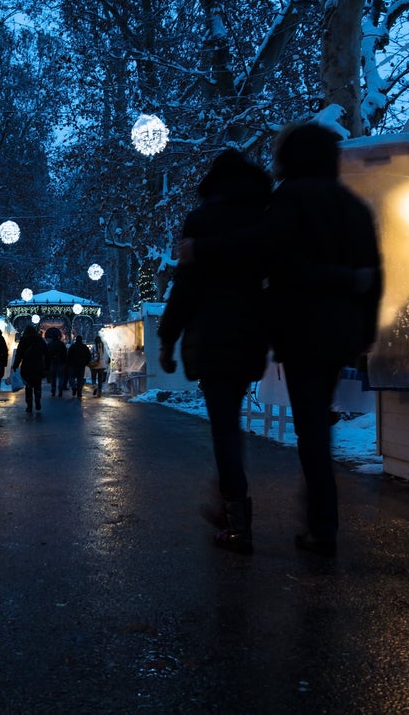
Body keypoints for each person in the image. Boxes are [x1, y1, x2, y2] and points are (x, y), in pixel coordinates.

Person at [182, 123, 382, 557]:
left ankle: (320, 525)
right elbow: (374, 275)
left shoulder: (291, 198)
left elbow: (260, 245)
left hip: (302, 328)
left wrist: (203, 250)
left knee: (311, 430)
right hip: (342, 333)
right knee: (317, 430)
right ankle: (320, 522)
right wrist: (364, 332)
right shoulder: (354, 206)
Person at [158, 148, 273, 554]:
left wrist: (168, 337)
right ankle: (228, 502)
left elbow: (185, 286)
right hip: (250, 335)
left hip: (210, 335)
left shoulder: (203, 220)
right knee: (229, 424)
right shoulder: (265, 217)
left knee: (223, 427)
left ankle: (236, 518)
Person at [11, 324, 49, 412]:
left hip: (27, 367)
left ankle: (29, 405)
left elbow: (19, 355)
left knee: (28, 386)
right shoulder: (40, 340)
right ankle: (38, 399)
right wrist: (47, 366)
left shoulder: (24, 340)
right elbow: (47, 354)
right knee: (37, 385)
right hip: (38, 366)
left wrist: (16, 365)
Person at [45, 327, 69, 396]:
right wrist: (65, 361)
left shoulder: (50, 344)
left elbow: (47, 354)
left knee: (53, 377)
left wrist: (47, 363)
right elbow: (64, 353)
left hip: (52, 362)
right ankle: (60, 389)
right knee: (61, 377)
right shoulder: (61, 344)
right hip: (61, 362)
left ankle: (53, 390)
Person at [66, 334, 91, 398]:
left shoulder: (72, 347)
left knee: (71, 378)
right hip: (81, 366)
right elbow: (89, 356)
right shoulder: (84, 347)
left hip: (73, 365)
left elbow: (68, 356)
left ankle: (74, 387)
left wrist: (68, 363)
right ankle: (79, 392)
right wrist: (86, 363)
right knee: (80, 379)